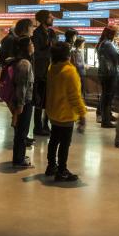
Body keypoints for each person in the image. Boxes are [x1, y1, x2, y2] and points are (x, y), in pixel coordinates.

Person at [45, 42, 86, 182]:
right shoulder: (70, 71)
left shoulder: (52, 68)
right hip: (66, 114)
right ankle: (62, 170)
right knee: (64, 144)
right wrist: (82, 114)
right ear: (67, 55)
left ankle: (51, 166)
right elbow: (74, 96)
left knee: (54, 140)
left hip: (53, 112)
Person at [31, 9, 57, 136]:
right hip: (40, 72)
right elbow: (37, 53)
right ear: (43, 19)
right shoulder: (37, 33)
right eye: (50, 17)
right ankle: (37, 126)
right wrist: (49, 48)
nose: (53, 18)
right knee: (39, 100)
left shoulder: (52, 32)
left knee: (48, 101)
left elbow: (55, 49)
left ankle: (46, 124)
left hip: (51, 71)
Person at [11, 36, 35, 168]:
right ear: (26, 47)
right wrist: (20, 104)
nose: (33, 46)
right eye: (31, 43)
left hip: (22, 101)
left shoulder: (21, 61)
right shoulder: (25, 64)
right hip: (24, 102)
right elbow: (22, 86)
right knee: (22, 131)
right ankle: (19, 159)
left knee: (20, 130)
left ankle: (19, 156)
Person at [96, 27, 119, 129]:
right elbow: (117, 56)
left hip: (104, 73)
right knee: (108, 97)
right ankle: (106, 121)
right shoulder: (108, 44)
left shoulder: (102, 43)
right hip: (110, 74)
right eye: (115, 34)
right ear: (111, 34)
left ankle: (107, 117)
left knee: (106, 96)